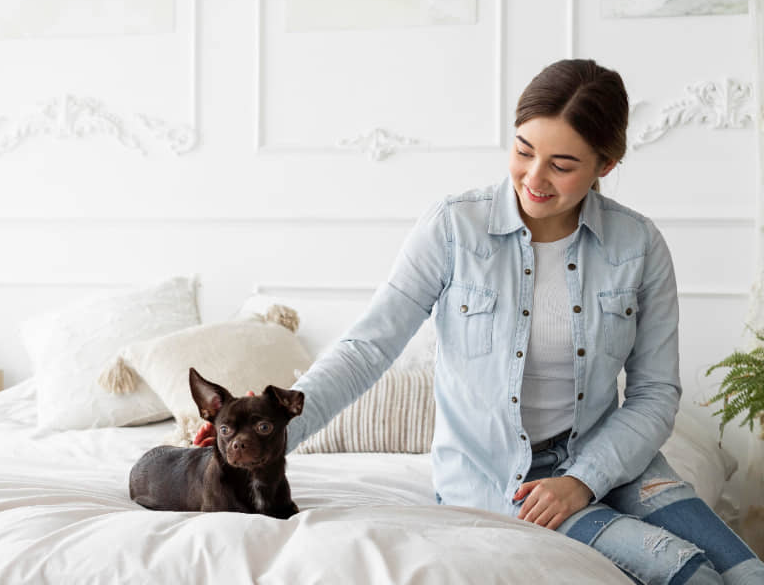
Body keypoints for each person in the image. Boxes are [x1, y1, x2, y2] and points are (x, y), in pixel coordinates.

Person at [195, 59, 764, 584]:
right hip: (498, 480)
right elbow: (368, 349)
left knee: (746, 573)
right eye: (523, 150)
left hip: (615, 459)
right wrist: (268, 426)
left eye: (562, 165)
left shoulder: (638, 244)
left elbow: (655, 393)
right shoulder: (452, 228)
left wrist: (584, 479)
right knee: (691, 573)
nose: (534, 177)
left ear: (605, 166)